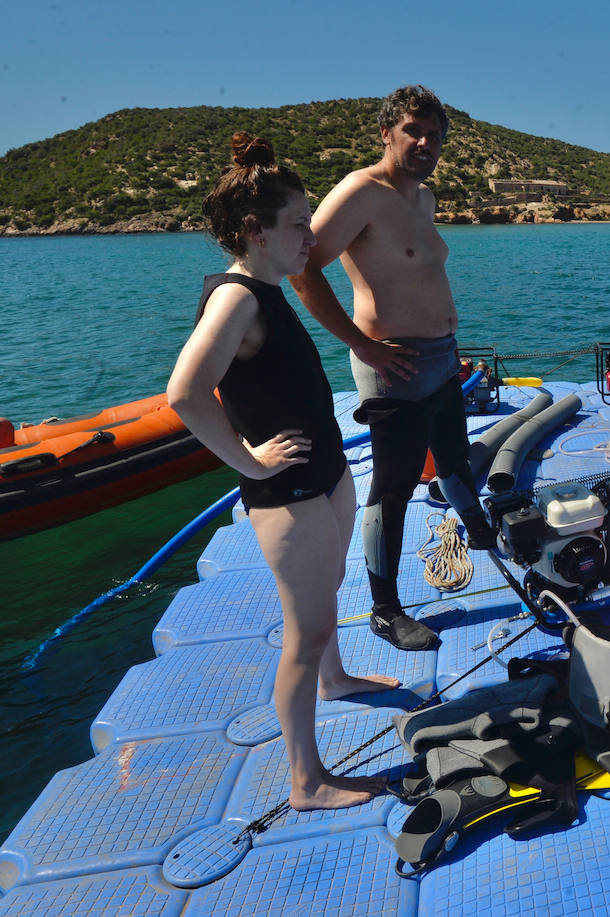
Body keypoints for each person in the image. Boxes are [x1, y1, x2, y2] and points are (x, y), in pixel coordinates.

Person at [168, 132, 399, 811]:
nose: (311, 235)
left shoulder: (269, 288)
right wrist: (249, 459)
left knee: (326, 596)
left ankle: (337, 680)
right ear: (254, 231)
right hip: (285, 487)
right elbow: (184, 393)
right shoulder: (236, 298)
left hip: (322, 473)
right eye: (299, 224)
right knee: (307, 629)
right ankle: (306, 779)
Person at [289, 85, 495, 653]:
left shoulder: (422, 199)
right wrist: (362, 344)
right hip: (393, 363)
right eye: (413, 131)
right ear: (387, 133)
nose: (425, 143)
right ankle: (385, 609)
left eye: (434, 135)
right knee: (395, 485)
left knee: (453, 454)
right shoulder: (361, 192)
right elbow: (303, 270)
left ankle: (477, 528)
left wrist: (450, 343)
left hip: (441, 356)